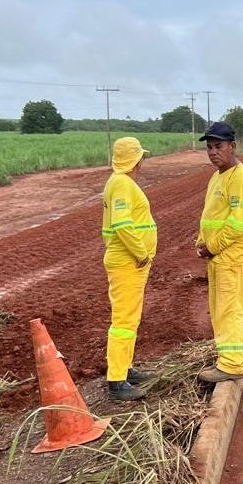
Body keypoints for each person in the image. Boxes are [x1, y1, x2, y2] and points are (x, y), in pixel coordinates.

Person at [196, 121, 243, 382]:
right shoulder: (218, 176)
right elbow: (214, 214)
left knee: (229, 310)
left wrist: (211, 246)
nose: (213, 152)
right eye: (209, 147)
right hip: (220, 257)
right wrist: (201, 239)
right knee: (221, 309)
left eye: (218, 146)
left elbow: (238, 225)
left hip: (231, 258)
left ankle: (232, 364)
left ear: (232, 146)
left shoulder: (241, 179)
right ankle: (226, 356)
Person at [102, 137, 158, 401]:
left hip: (127, 261)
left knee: (130, 318)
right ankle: (116, 380)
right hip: (128, 262)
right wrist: (141, 254)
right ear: (136, 159)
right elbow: (122, 225)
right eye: (141, 157)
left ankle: (125, 368)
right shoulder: (123, 184)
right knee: (124, 320)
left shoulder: (119, 183)